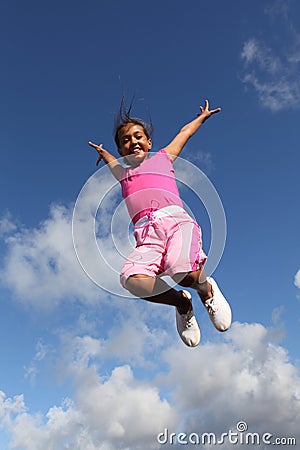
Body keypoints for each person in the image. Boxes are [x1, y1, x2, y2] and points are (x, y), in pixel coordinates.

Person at [88, 99, 231, 347]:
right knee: (132, 280)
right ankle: (182, 303)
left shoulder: (163, 158)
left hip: (176, 223)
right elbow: (112, 162)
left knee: (184, 273)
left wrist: (201, 118)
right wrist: (103, 153)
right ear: (122, 151)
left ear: (149, 143)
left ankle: (206, 290)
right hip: (146, 235)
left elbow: (183, 133)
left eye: (138, 136)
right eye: (126, 140)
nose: (133, 142)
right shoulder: (124, 175)